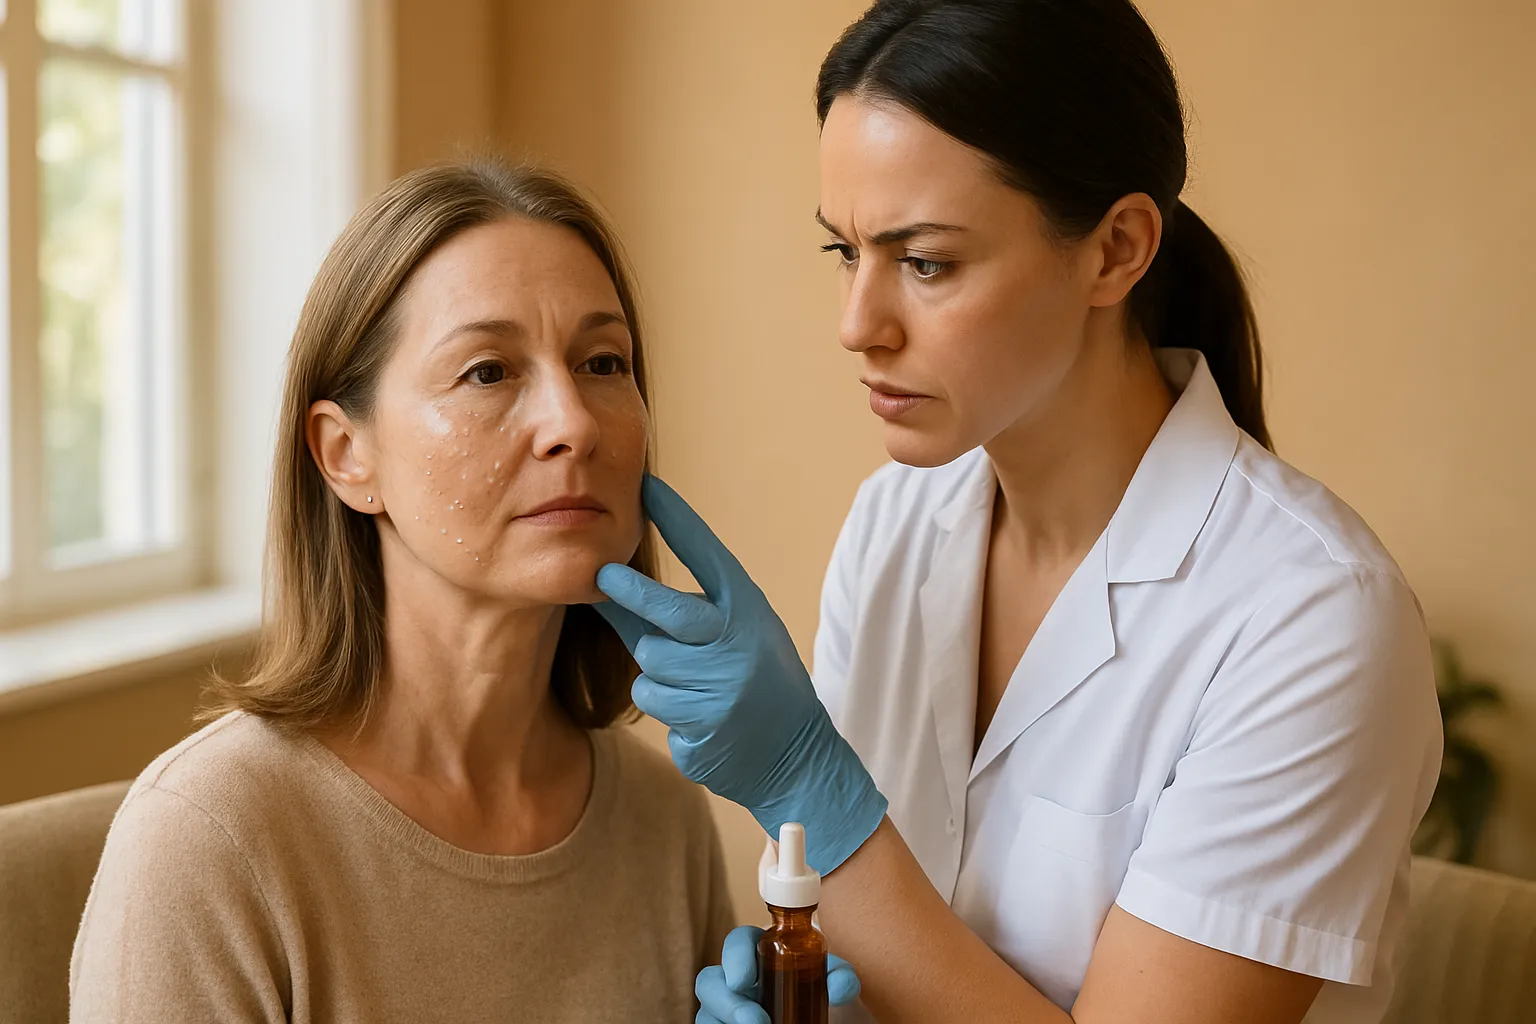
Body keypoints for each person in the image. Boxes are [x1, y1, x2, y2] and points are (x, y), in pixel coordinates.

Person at [594, 2, 1442, 1022]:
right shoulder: (897, 521)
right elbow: (889, 946)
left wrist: (806, 781)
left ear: (1116, 250)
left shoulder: (1313, 618)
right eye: (844, 252)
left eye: (926, 262)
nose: (857, 324)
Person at [70, 159, 735, 1022]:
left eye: (603, 361)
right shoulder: (209, 841)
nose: (572, 422)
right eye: (488, 373)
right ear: (348, 455)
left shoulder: (663, 819)